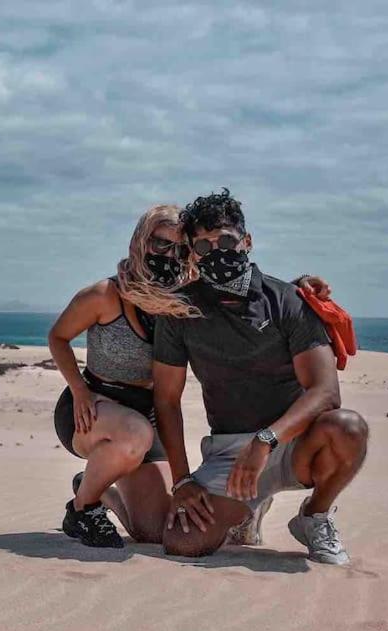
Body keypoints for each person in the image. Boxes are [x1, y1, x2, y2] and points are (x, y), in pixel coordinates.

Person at [49, 204, 331, 548]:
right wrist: (78, 389)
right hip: (93, 407)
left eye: (180, 249)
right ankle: (84, 508)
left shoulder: (184, 300)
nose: (169, 255)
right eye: (160, 244)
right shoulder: (105, 295)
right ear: (141, 242)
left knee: (157, 529)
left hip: (144, 417)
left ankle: (98, 489)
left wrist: (298, 287)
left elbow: (244, 297)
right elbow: (58, 337)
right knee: (133, 434)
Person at [153, 189, 368, 564]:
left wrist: (265, 440)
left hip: (292, 442)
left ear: (246, 241)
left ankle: (314, 516)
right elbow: (167, 400)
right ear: (192, 255)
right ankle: (248, 511)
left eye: (225, 240)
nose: (216, 251)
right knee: (182, 543)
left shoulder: (288, 300)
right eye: (202, 247)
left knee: (348, 427)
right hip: (228, 453)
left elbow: (325, 391)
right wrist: (183, 480)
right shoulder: (180, 311)